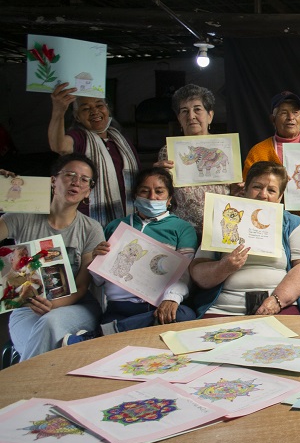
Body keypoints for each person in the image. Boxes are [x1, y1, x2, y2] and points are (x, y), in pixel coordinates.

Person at [63, 168, 199, 344]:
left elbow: (185, 273)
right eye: (144, 191)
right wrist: (96, 258)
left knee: (185, 316)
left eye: (159, 192)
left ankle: (99, 335)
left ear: (169, 199)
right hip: (119, 307)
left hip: (158, 305)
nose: (152, 197)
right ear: (135, 195)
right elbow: (98, 280)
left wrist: (172, 299)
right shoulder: (115, 226)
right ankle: (118, 329)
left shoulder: (182, 229)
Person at [0, 155, 103, 359]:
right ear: (53, 181)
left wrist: (53, 305)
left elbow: (82, 286)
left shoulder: (91, 229)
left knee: (49, 323)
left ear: (88, 192)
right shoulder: (22, 215)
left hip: (77, 306)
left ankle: (21, 388)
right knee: (46, 346)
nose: (76, 182)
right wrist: (3, 195)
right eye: (70, 175)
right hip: (27, 308)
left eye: (84, 179)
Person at [188, 161, 300, 318]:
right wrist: (224, 266)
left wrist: (277, 301)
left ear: (280, 197)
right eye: (257, 187)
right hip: (224, 308)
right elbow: (198, 272)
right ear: (246, 190)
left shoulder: (293, 224)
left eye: (271, 190)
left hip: (280, 305)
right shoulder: (221, 218)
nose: (263, 195)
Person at [47, 82, 139, 225]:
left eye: (99, 105)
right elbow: (59, 146)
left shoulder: (120, 139)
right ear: (77, 117)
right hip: (91, 219)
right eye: (85, 108)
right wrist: (59, 110)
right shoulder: (79, 137)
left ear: (107, 109)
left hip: (129, 216)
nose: (94, 111)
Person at [153, 84, 231, 238]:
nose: (191, 116)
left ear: (210, 115)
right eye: (184, 111)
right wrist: (155, 177)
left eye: (197, 109)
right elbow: (162, 191)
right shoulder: (168, 151)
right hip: (182, 232)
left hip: (219, 229)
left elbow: (234, 190)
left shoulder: (226, 147)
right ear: (179, 119)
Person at [242, 91, 300, 230]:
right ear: (273, 119)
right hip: (266, 225)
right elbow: (247, 192)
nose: (290, 117)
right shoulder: (258, 151)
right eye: (284, 113)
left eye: (295, 112)